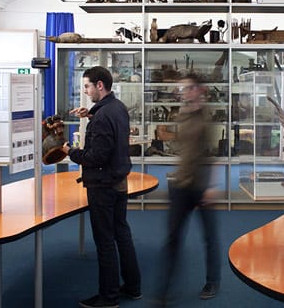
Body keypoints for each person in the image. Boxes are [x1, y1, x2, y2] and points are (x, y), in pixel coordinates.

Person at [61, 66, 141, 308]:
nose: (85, 91)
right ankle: (133, 287)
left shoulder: (103, 115)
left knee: (105, 241)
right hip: (118, 182)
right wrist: (91, 116)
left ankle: (109, 297)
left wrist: (69, 151)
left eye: (87, 86)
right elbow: (111, 136)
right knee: (122, 234)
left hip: (103, 185)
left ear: (99, 85)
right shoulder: (117, 108)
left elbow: (96, 157)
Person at [156, 74, 220, 305]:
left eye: (188, 88)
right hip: (181, 184)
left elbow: (214, 154)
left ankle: (212, 281)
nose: (184, 92)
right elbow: (183, 148)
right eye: (182, 89)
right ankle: (163, 291)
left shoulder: (208, 118)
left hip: (201, 186)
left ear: (199, 90)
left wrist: (211, 186)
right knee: (172, 238)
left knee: (209, 237)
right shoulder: (182, 114)